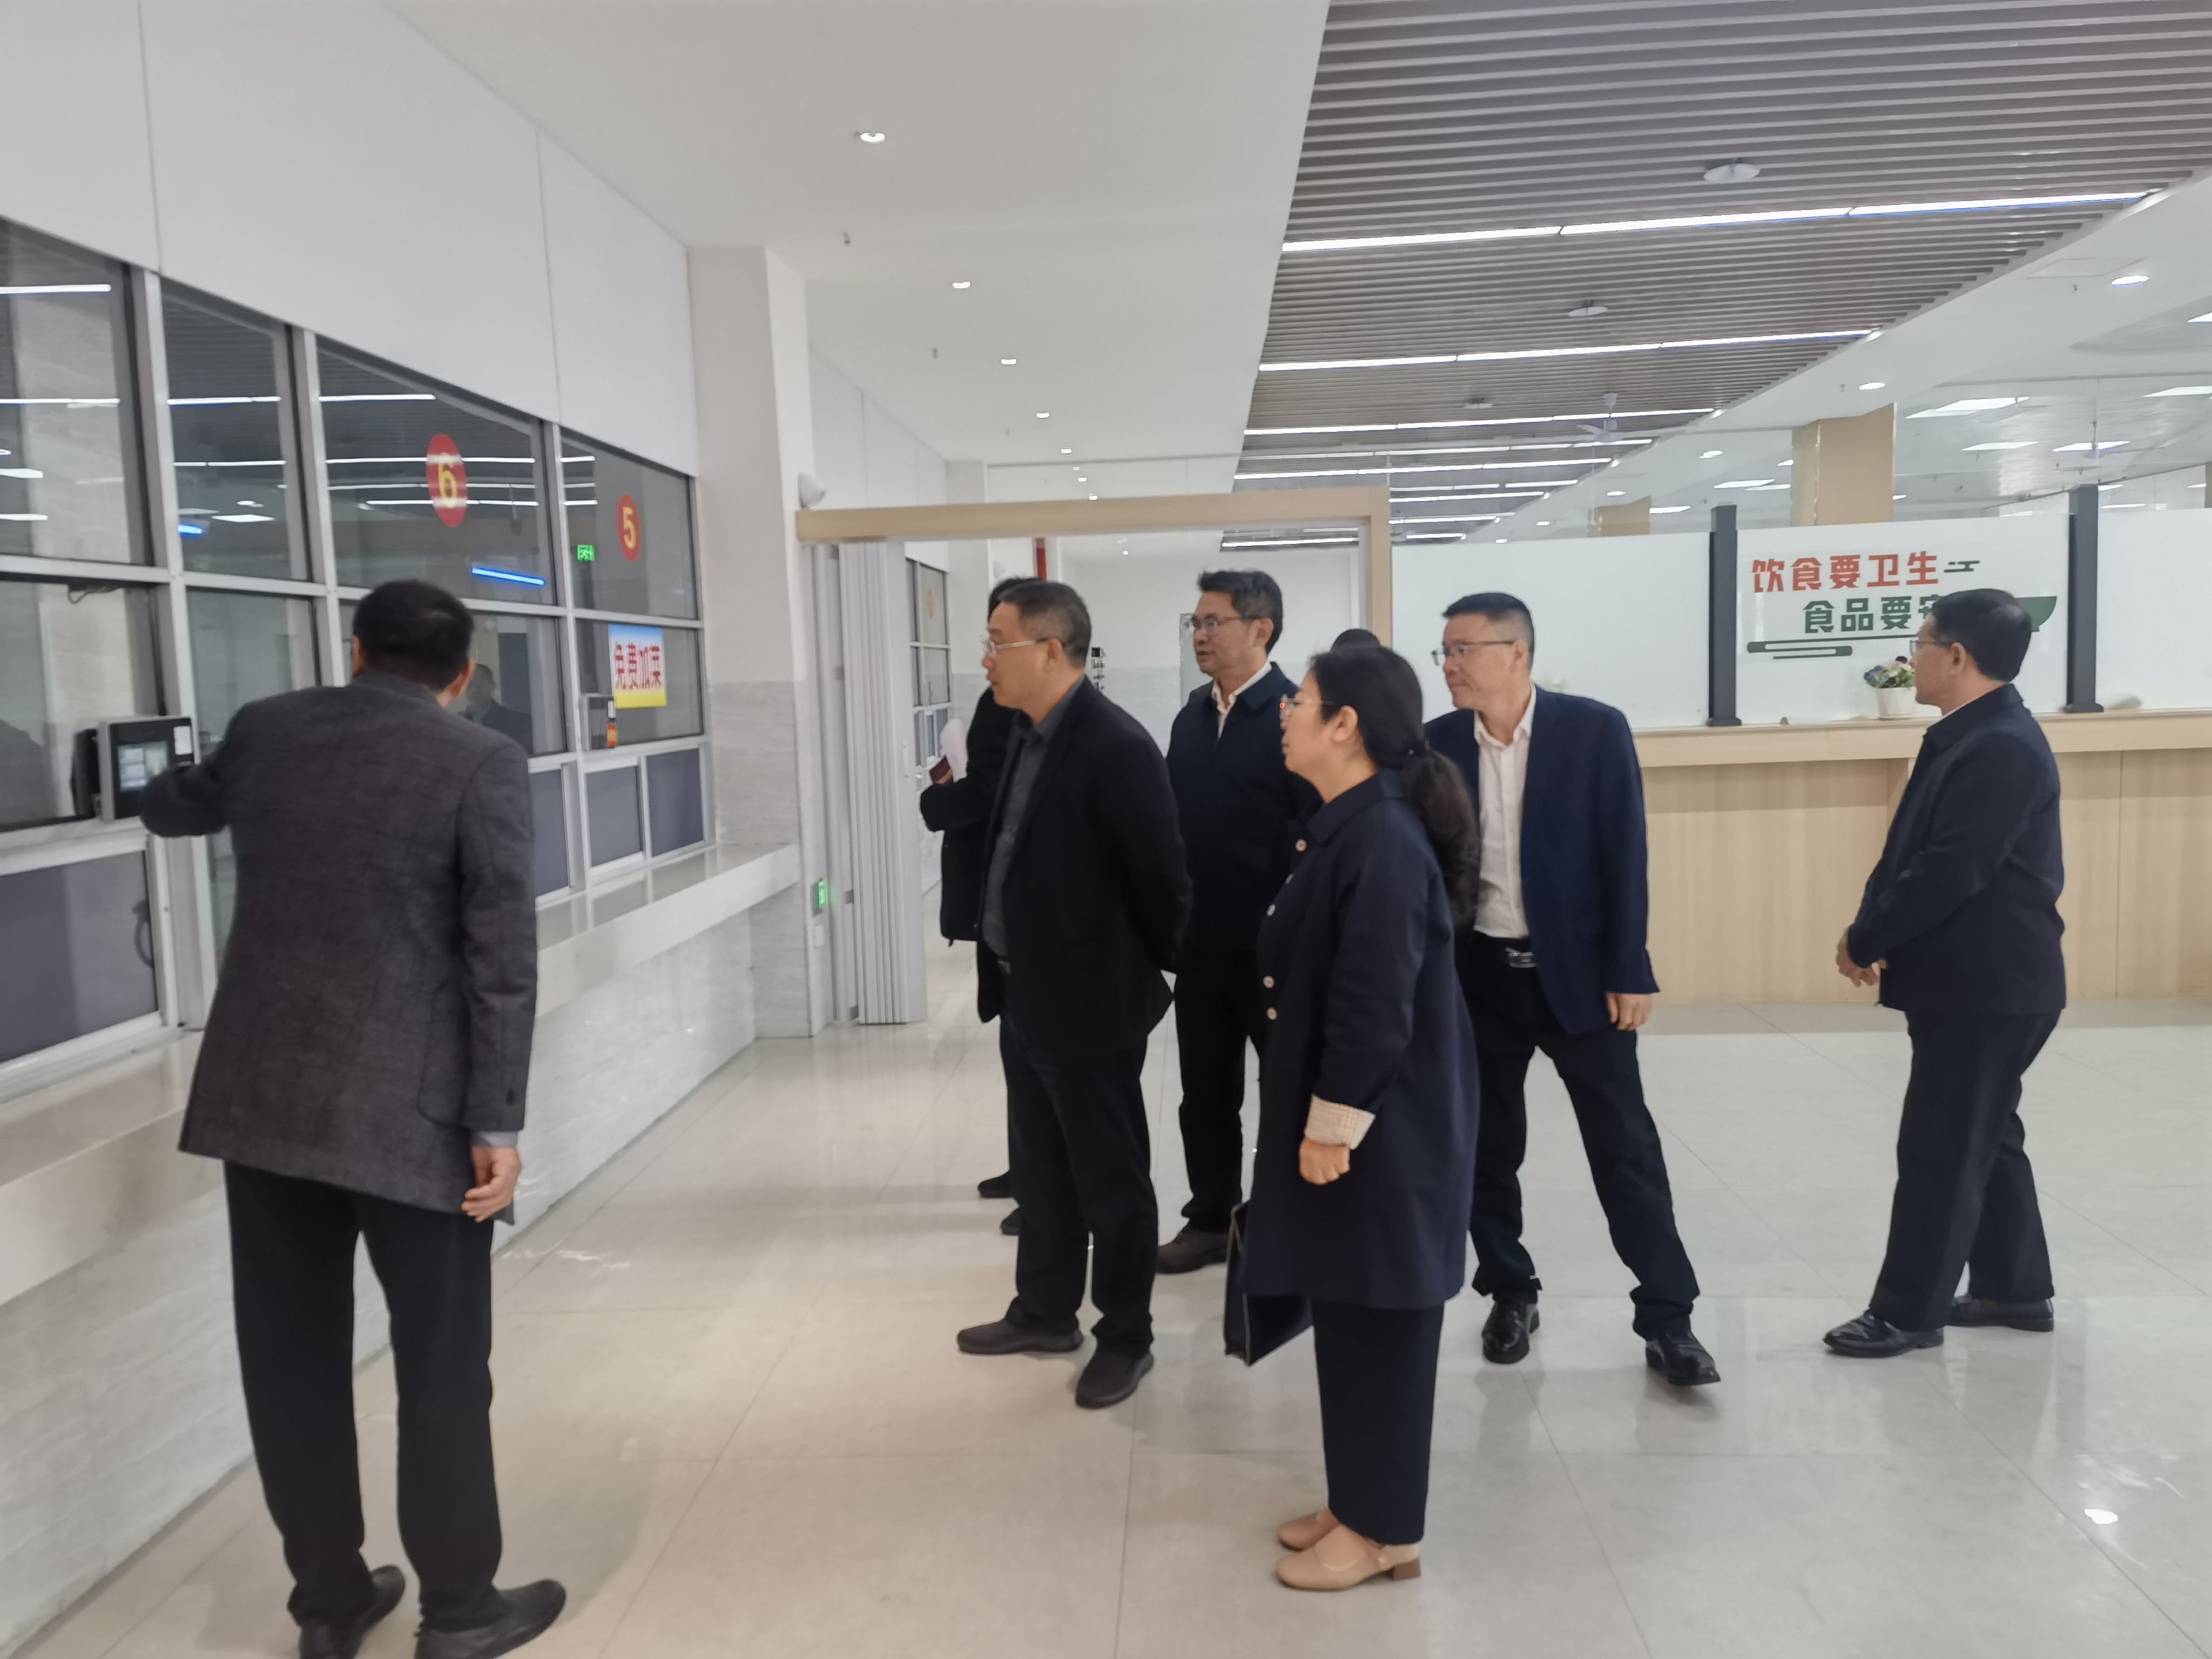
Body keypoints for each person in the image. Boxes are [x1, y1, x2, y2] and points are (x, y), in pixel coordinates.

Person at [140, 580, 564, 1659]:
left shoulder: (268, 729)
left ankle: (329, 1604)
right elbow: (500, 958)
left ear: (355, 650)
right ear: (460, 676)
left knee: (289, 1357)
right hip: (414, 1115)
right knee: (440, 1365)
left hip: (265, 1103)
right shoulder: (478, 760)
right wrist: (497, 1124)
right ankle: (460, 1611)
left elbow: (174, 806)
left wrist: (157, 772)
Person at [1426, 593, 1718, 1387]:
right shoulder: (1438, 744)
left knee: (1625, 1146)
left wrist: (1629, 967)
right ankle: (1509, 1290)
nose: (1449, 665)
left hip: (1582, 978)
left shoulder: (1593, 730)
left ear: (1516, 654)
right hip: (1479, 979)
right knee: (1487, 1145)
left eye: (1463, 649)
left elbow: (1626, 852)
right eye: (1444, 651)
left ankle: (1668, 1316)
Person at [1247, 644, 1480, 1591]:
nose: (1286, 713)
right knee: (1346, 1302)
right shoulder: (1348, 824)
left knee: (1383, 1318)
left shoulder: (1380, 835)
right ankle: (1355, 1500)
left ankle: (1387, 1532)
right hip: (1366, 1118)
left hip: (1386, 1126)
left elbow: (1373, 1001)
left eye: (1300, 701)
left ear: (1345, 724)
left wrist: (1331, 1125)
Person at [954, 580, 1190, 1409]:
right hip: (1023, 994)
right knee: (1042, 1173)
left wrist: (1127, 977)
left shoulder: (1115, 746)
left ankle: (1126, 1335)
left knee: (1111, 1182)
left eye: (999, 642)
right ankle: (1046, 1311)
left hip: (1089, 1005)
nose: (987, 658)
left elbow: (1163, 882)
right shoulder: (1025, 732)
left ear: (1051, 650)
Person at [1825, 590, 2066, 1358]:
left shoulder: (2000, 746)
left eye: (1921, 642)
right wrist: (1869, 927)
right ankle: (2013, 1288)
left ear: (1957, 656)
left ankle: (1907, 1312)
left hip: (1987, 986)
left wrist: (1868, 936)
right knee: (1986, 1133)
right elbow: (1914, 853)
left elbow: (1949, 871)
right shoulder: (1972, 734)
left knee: (1941, 1147)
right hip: (1980, 982)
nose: (1912, 656)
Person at [1158, 570, 1315, 1273]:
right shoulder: (1190, 718)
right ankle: (1209, 1218)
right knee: (1204, 1095)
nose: (1199, 635)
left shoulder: (1296, 715)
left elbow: (1320, 837)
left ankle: (1288, 1225)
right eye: (1195, 623)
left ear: (1261, 629)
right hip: (1200, 948)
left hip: (1277, 952)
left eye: (1212, 622)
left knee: (1287, 1093)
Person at [920, 575, 1024, 1220]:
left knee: (1034, 1053)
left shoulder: (1021, 710)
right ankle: (1029, 1167)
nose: (988, 658)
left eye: (998, 642)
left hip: (1022, 911)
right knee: (1019, 1050)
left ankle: (1042, 1182)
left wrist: (935, 801)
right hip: (1006, 910)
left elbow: (987, 793)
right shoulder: (1007, 700)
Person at [461, 660, 534, 750]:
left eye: (480, 684)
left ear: (492, 687)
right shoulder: (457, 724)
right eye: (470, 685)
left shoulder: (518, 723)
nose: (474, 690)